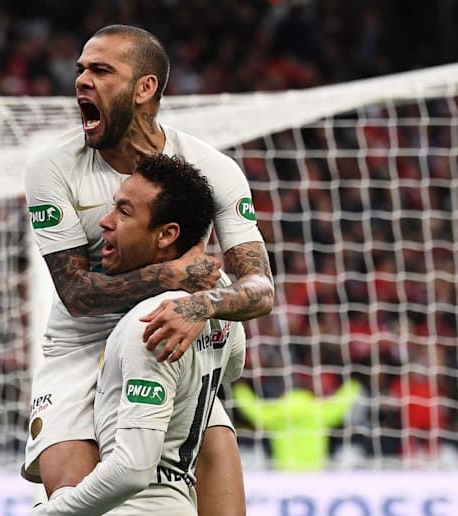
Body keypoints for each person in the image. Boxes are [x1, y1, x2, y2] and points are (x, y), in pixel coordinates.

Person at [23, 24, 274, 515]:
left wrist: (200, 303)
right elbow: (77, 294)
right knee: (88, 506)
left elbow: (260, 288)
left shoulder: (210, 168)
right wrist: (177, 277)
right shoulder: (52, 166)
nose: (81, 81)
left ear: (145, 88)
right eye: (80, 70)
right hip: (81, 349)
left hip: (170, 343)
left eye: (100, 70)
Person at [31, 153, 248, 514]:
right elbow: (234, 363)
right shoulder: (219, 301)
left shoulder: (153, 325)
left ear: (167, 234)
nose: (104, 222)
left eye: (124, 212)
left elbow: (131, 470)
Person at [232, 376, 362, 471]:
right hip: (316, 472)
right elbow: (340, 405)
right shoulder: (318, 411)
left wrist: (239, 388)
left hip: (285, 471)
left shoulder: (278, 412)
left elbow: (253, 410)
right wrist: (354, 383)